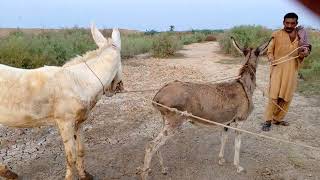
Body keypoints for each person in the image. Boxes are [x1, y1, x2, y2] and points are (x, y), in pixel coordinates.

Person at [262, 12, 312, 131]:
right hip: (277, 68)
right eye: (287, 23)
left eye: (292, 23)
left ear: (296, 23)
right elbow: (269, 51)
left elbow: (305, 50)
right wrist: (271, 58)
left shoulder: (301, 36)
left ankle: (278, 119)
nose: (289, 25)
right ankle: (268, 120)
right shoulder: (276, 34)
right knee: (274, 95)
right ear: (283, 22)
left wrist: (305, 53)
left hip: (292, 70)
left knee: (286, 96)